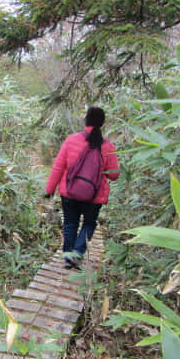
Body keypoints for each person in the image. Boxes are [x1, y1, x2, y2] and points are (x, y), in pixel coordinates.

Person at [44, 107, 120, 269]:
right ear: (102, 123)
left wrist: (50, 190)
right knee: (89, 223)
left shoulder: (71, 140)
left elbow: (58, 167)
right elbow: (114, 175)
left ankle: (67, 256)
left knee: (70, 223)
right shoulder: (108, 146)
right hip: (94, 197)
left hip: (69, 193)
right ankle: (77, 253)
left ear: (86, 121)